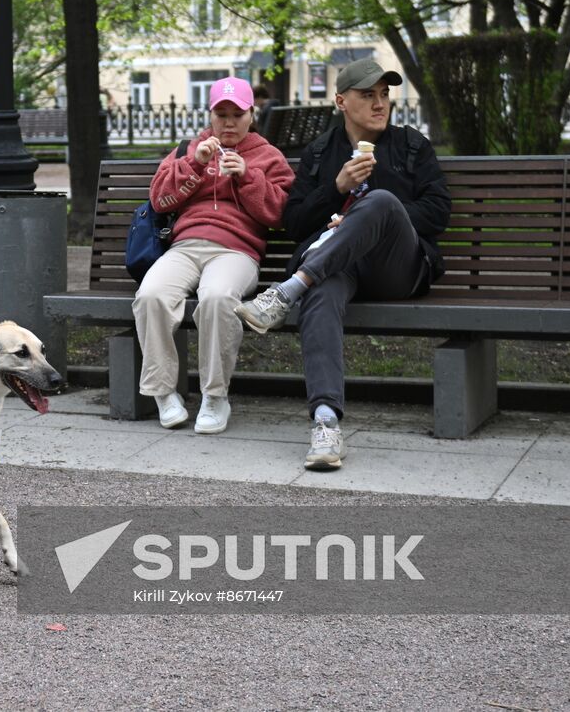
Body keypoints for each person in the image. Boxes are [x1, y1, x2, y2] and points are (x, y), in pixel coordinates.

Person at [235, 58, 450, 470]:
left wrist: (368, 215)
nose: (379, 103)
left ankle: (285, 292)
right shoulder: (319, 153)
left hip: (396, 268)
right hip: (337, 269)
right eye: (368, 95)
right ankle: (325, 422)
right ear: (340, 101)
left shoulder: (410, 145)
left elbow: (438, 212)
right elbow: (296, 223)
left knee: (381, 202)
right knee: (322, 288)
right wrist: (336, 189)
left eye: (384, 94)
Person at [133, 77, 294, 433]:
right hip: (185, 247)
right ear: (211, 115)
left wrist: (248, 177)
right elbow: (160, 200)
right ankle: (163, 393)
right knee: (151, 294)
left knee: (218, 298)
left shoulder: (268, 156)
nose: (229, 122)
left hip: (236, 252)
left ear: (252, 114)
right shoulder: (191, 149)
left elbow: (282, 215)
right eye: (221, 114)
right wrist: (193, 164)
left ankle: (215, 396)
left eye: (237, 114)